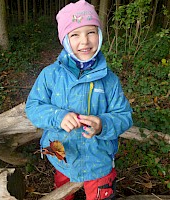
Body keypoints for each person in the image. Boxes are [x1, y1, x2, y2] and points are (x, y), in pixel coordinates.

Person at [26, 0, 133, 199]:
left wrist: (103, 124)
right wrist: (58, 116)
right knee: (64, 192)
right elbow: (33, 107)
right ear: (64, 39)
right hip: (64, 158)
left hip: (99, 160)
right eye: (75, 34)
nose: (84, 41)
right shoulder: (50, 75)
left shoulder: (109, 80)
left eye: (91, 32)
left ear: (100, 35)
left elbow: (124, 115)